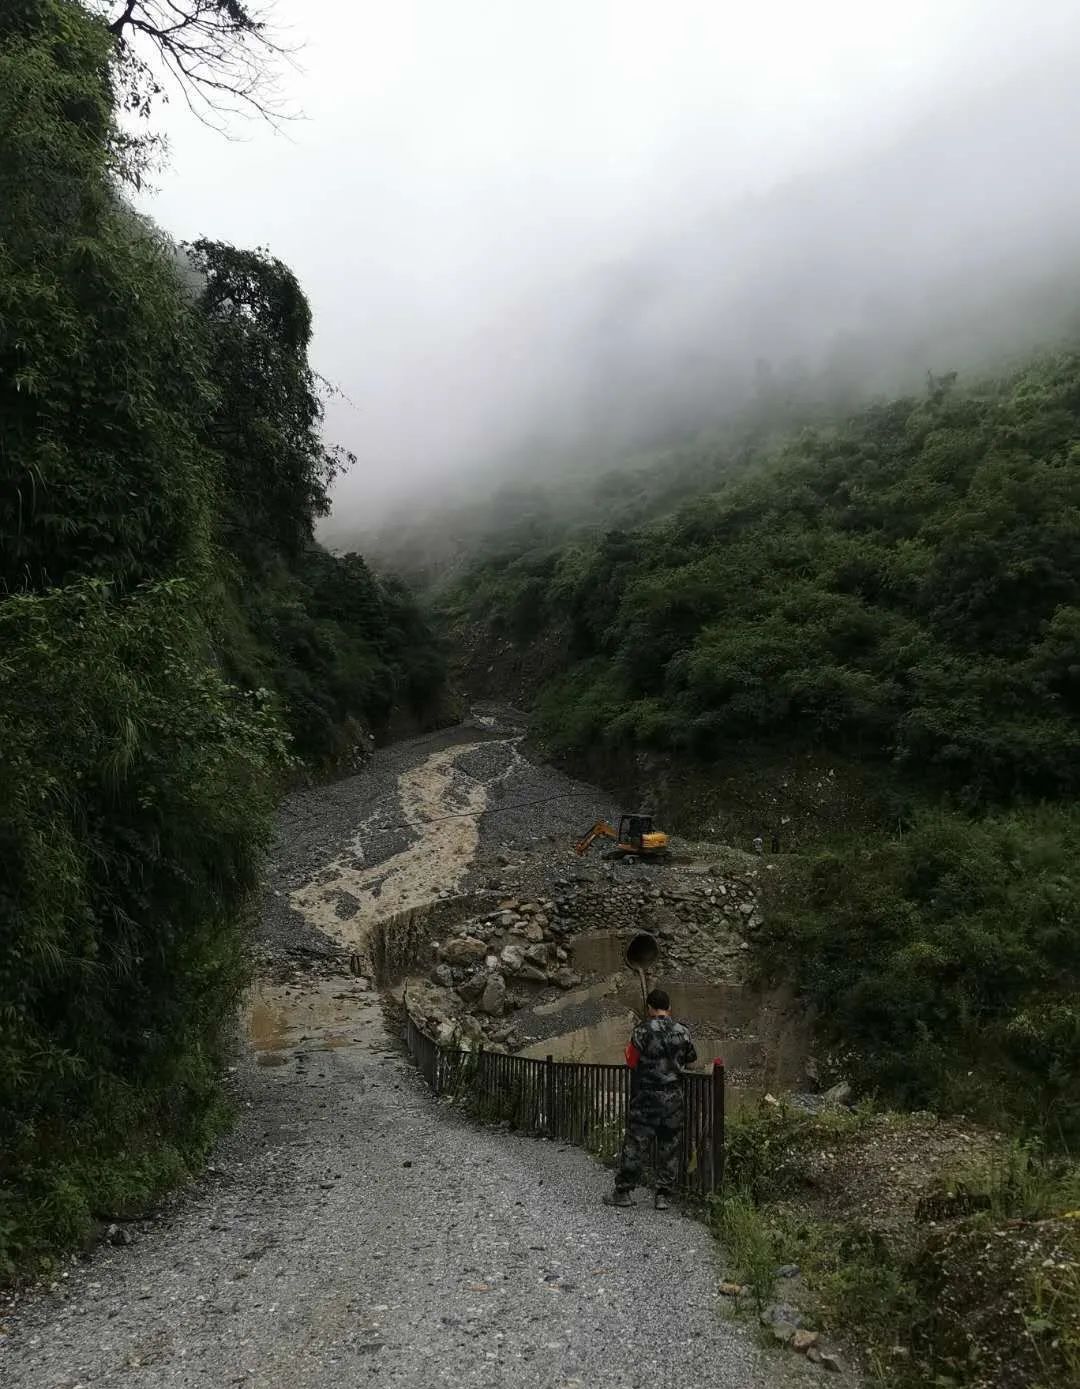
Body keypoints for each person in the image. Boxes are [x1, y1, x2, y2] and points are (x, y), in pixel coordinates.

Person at [604, 988, 697, 1211]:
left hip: (646, 1098)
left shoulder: (642, 1031)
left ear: (649, 1008)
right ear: (669, 1008)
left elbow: (631, 1060)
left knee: (636, 1144)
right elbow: (691, 1057)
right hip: (673, 1099)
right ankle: (662, 1196)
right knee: (669, 1146)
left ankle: (624, 1192)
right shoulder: (682, 1032)